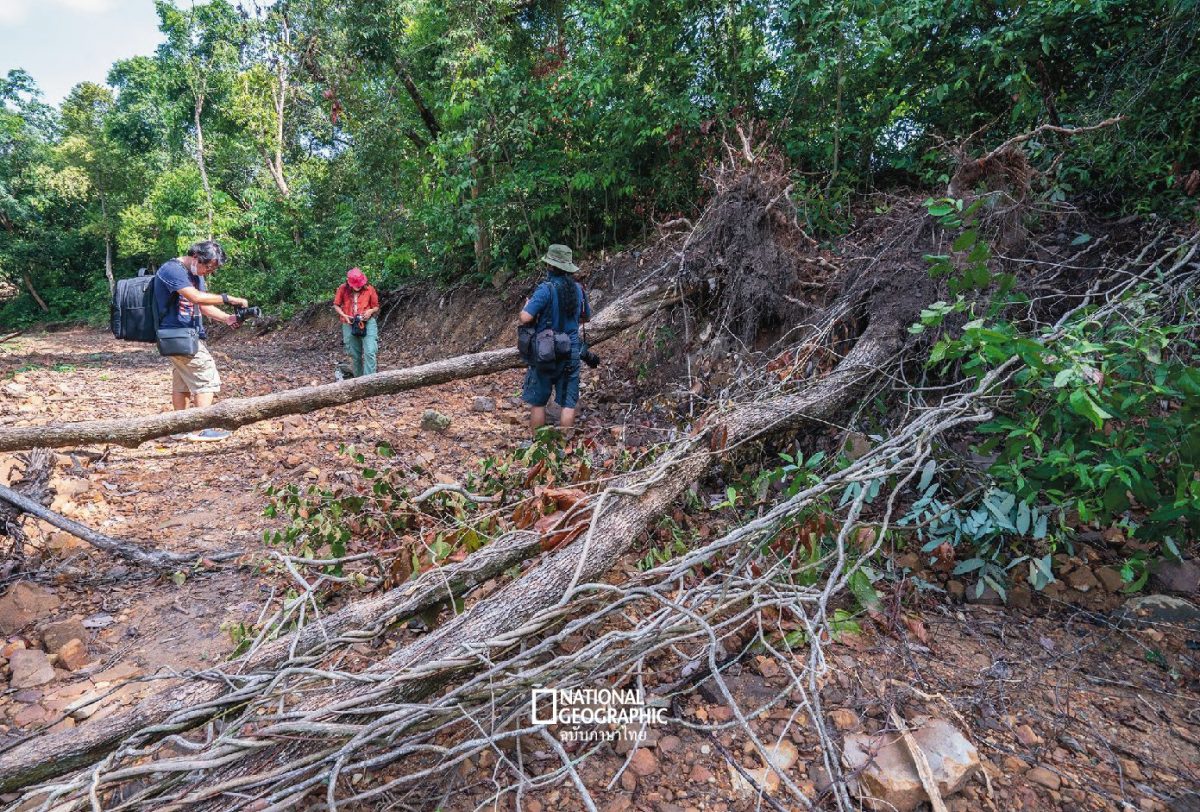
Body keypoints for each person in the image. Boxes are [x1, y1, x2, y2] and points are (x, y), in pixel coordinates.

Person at [152, 240, 246, 423]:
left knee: (182, 381)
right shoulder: (172, 269)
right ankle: (205, 427)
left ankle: (181, 427)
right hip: (177, 334)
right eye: (208, 267)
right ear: (196, 257)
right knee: (206, 376)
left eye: (212, 270)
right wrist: (228, 298)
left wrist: (227, 318)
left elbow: (201, 305)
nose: (208, 272)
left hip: (186, 335)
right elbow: (194, 296)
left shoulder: (196, 275)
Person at [519, 244, 591, 435]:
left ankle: (539, 448)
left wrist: (527, 307)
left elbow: (525, 318)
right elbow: (585, 317)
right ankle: (565, 447)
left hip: (545, 352)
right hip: (571, 351)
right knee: (568, 402)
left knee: (538, 401)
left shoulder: (545, 289)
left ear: (550, 266)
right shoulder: (578, 289)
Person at [332, 267, 380, 377]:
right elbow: (336, 305)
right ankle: (358, 381)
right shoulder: (343, 289)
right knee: (354, 354)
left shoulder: (369, 289)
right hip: (349, 323)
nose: (358, 287)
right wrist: (344, 315)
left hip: (367, 323)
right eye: (355, 285)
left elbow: (376, 306)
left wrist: (370, 311)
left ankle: (369, 380)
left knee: (370, 351)